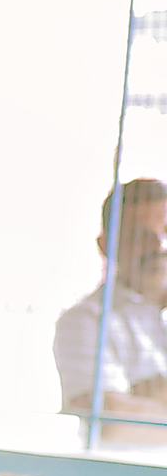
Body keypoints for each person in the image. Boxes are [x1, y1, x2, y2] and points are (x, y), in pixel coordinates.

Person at [54, 177, 167, 430]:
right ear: (106, 245)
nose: (160, 246)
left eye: (166, 231)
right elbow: (110, 424)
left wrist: (145, 402)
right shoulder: (86, 320)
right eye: (141, 236)